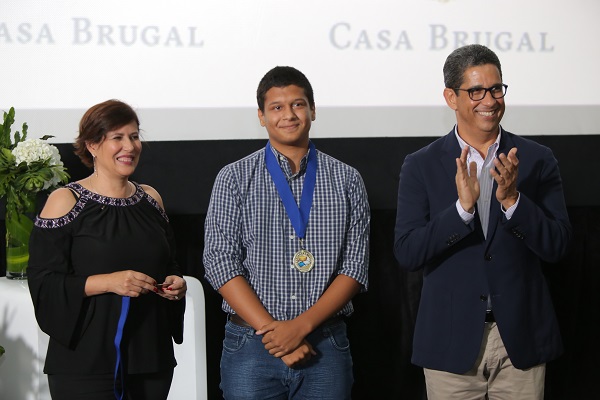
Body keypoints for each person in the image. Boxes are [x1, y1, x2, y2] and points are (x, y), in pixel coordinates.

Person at [393, 44, 573, 399]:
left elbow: (559, 245)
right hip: (450, 342)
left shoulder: (537, 159)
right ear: (451, 97)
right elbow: (407, 253)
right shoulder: (421, 164)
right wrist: (461, 210)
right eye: (475, 91)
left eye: (496, 89)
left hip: (521, 340)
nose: (489, 100)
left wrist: (513, 201)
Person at [203, 66, 370, 399]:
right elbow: (219, 262)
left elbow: (355, 268)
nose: (289, 114)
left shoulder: (347, 179)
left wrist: (300, 328)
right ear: (262, 117)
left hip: (325, 342)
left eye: (298, 104)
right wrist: (276, 336)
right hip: (250, 346)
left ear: (312, 110)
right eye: (277, 107)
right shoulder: (234, 178)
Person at [27, 99, 187, 400]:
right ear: (92, 144)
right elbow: (43, 282)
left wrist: (176, 283)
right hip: (85, 363)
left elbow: (169, 264)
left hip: (150, 359)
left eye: (134, 136)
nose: (130, 146)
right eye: (117, 138)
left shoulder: (152, 199)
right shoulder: (65, 201)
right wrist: (108, 282)